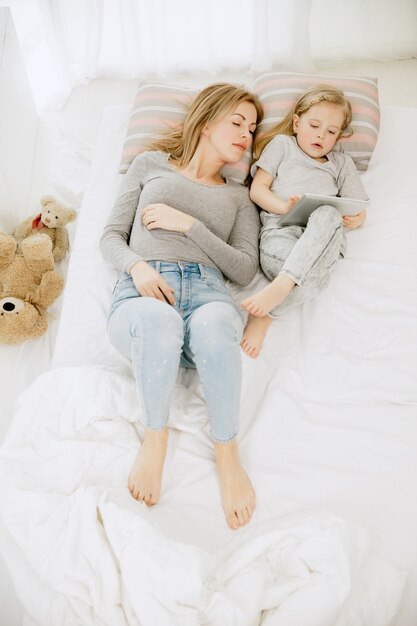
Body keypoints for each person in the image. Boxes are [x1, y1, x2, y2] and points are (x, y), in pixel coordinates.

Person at [100, 83, 263, 530]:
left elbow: (245, 269)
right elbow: (110, 237)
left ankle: (226, 453)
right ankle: (156, 440)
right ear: (206, 121)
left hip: (209, 295)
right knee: (157, 321)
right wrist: (137, 268)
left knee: (214, 324)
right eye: (236, 122)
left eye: (251, 128)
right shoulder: (149, 166)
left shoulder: (238, 197)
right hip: (143, 295)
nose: (246, 134)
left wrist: (188, 225)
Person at [240, 84, 368, 358]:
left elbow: (359, 210)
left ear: (339, 136)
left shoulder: (341, 164)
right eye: (314, 125)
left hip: (322, 243)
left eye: (331, 132)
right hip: (282, 233)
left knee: (328, 213)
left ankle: (272, 303)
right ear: (297, 123)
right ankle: (283, 289)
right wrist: (284, 207)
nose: (321, 135)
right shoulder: (282, 146)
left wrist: (354, 220)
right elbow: (258, 189)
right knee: (316, 281)